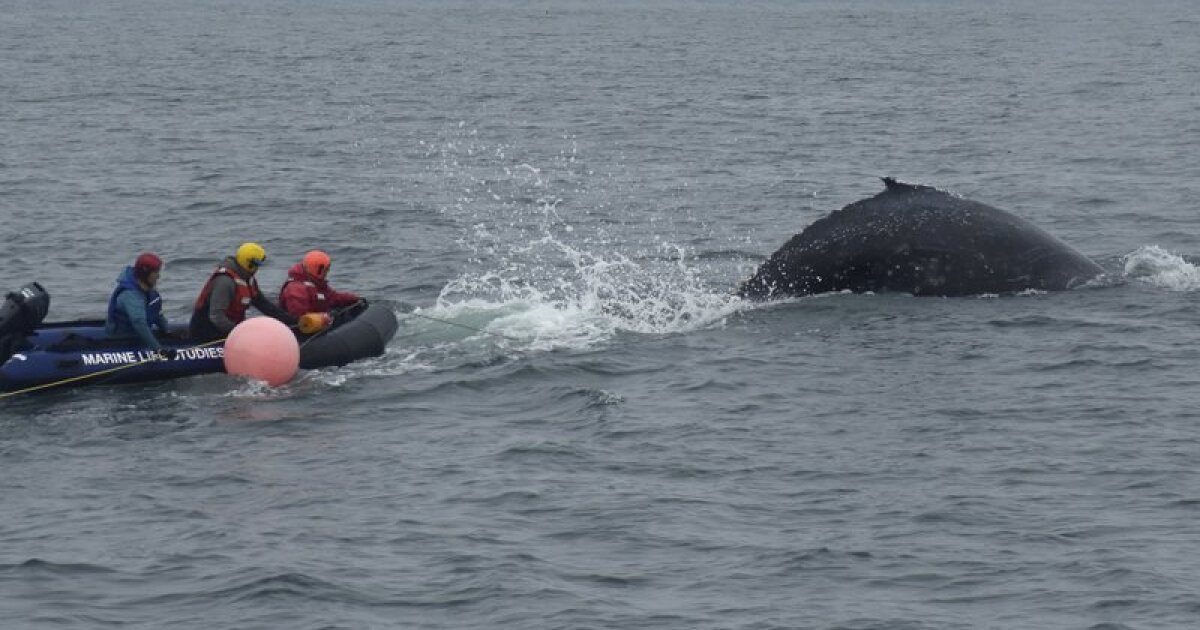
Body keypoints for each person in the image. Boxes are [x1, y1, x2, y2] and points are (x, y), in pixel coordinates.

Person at [189, 242, 298, 341]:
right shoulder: (225, 282)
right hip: (207, 332)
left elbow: (264, 305)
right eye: (256, 265)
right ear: (248, 263)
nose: (257, 269)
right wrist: (240, 332)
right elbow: (216, 316)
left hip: (231, 330)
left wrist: (292, 320)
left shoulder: (248, 280)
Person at [106, 252, 174, 358]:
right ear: (145, 274)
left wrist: (168, 331)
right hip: (122, 340)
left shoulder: (148, 290)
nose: (158, 276)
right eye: (155, 272)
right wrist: (158, 350)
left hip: (137, 337)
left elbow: (157, 314)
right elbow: (139, 323)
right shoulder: (130, 295)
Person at [278, 250, 362, 327]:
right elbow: (300, 318)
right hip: (305, 331)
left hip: (320, 323)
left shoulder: (317, 284)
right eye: (326, 270)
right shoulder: (295, 289)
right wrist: (325, 317)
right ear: (318, 269)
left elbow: (333, 297)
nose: (327, 272)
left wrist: (354, 299)